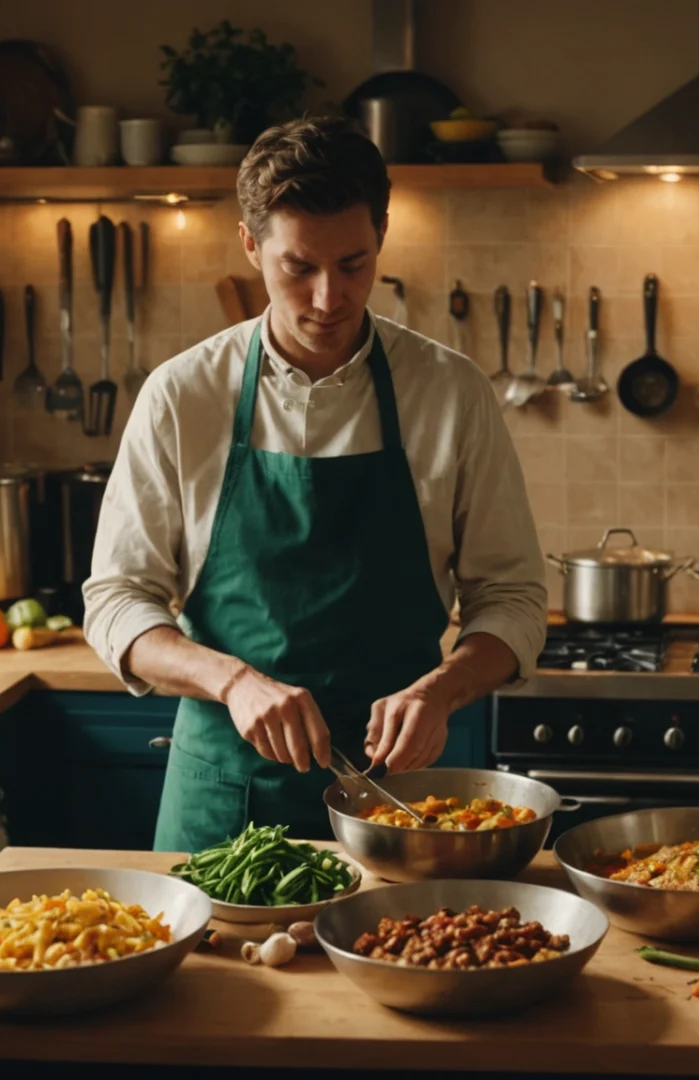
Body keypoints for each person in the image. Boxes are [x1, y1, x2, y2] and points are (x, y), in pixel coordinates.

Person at [84, 116, 548, 853]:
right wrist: (232, 680)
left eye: (354, 264)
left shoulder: (450, 392)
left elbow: (514, 598)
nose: (330, 298)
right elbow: (115, 602)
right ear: (249, 245)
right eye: (299, 268)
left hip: (405, 803)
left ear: (381, 241)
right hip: (224, 803)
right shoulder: (182, 396)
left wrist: (442, 689)